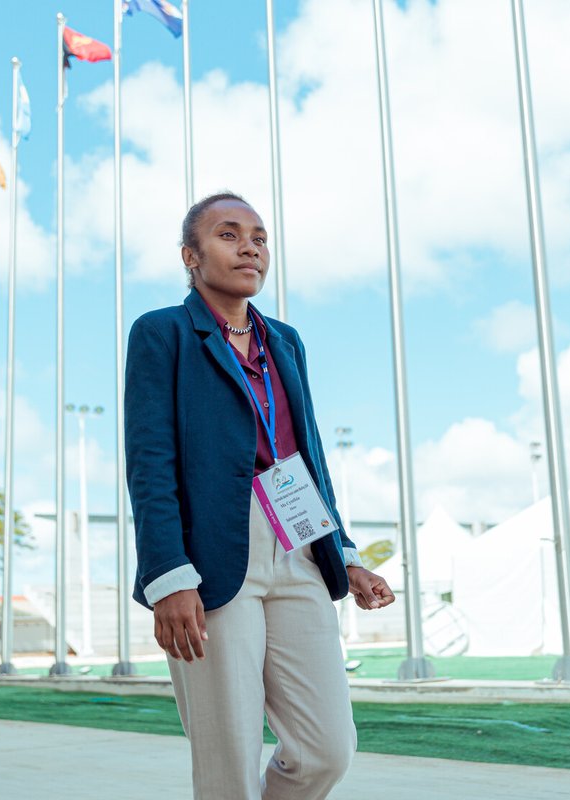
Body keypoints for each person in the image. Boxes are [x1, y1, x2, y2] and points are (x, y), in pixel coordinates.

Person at [125, 192, 396, 800]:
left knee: (326, 750)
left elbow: (309, 454)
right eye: (228, 234)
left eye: (259, 236)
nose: (250, 246)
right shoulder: (162, 333)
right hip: (213, 550)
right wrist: (168, 574)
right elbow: (150, 462)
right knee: (229, 756)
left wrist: (343, 552)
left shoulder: (286, 341)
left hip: (297, 540)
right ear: (190, 256)